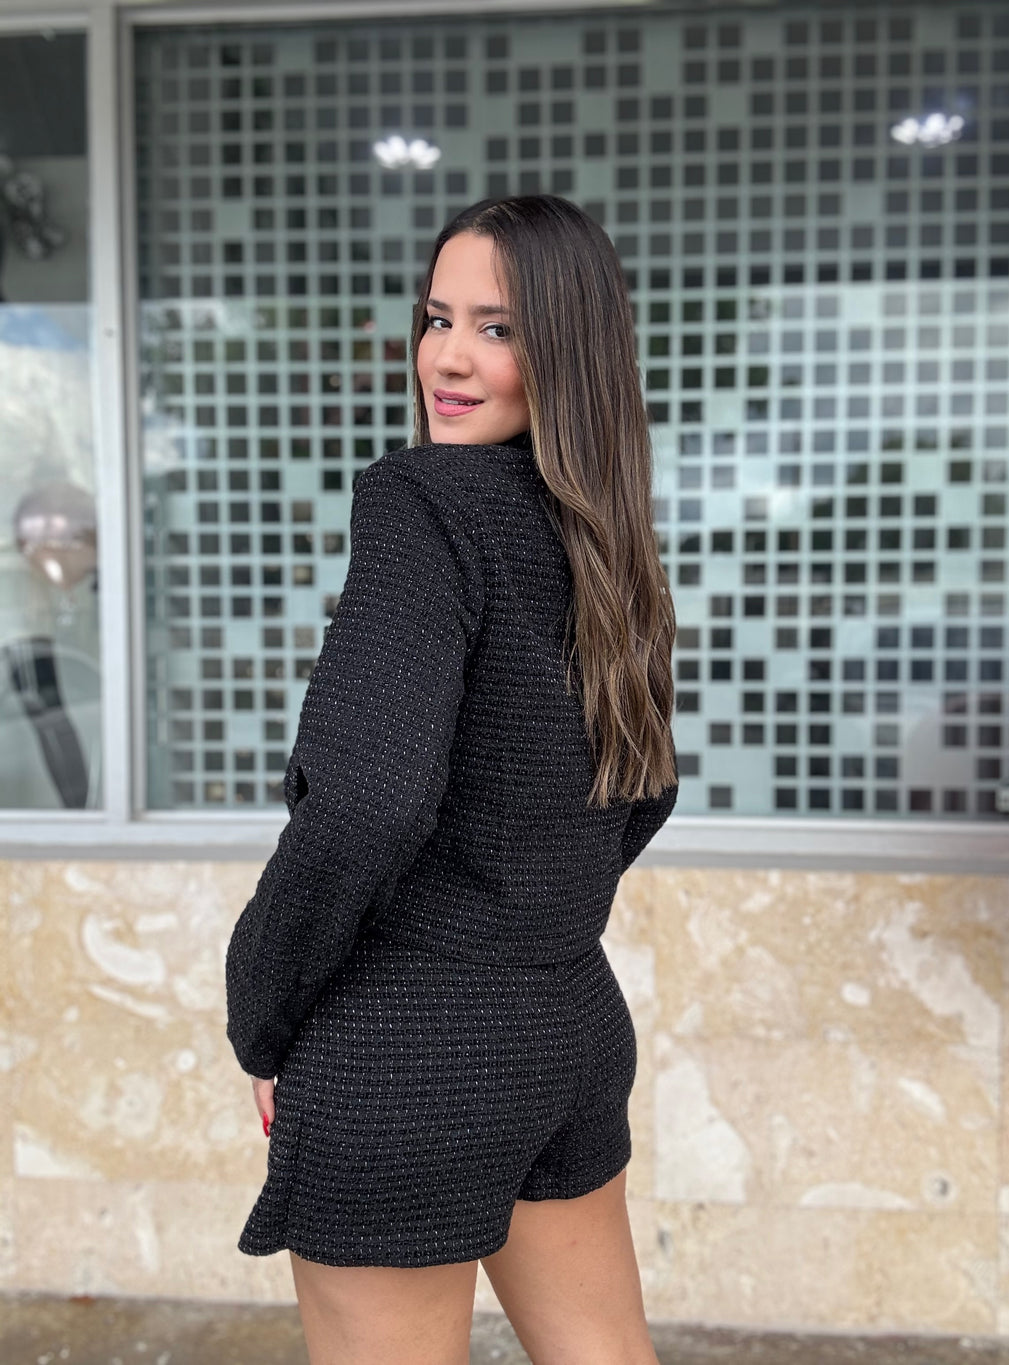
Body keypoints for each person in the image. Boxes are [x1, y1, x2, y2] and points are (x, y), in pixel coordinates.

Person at [225, 194, 679, 1365]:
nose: (448, 357)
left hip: (407, 1051)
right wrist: (532, 917)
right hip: (570, 1028)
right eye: (438, 318)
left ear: (567, 351)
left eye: (498, 328)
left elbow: (366, 802)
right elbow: (643, 786)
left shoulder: (422, 502)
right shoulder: (602, 533)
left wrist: (262, 1012)